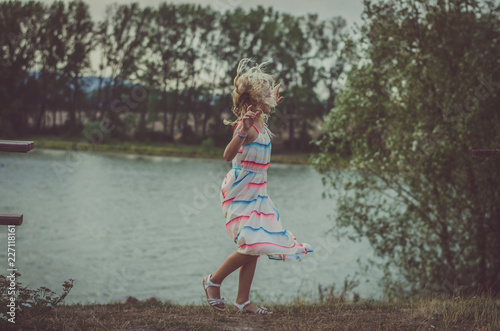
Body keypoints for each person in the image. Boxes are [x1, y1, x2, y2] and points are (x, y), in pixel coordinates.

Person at [202, 58, 313, 314]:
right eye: (265, 95)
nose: (271, 99)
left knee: (256, 245)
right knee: (252, 245)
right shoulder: (247, 126)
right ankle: (213, 280)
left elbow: (266, 109)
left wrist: (270, 99)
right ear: (253, 101)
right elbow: (228, 156)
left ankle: (242, 301)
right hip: (241, 192)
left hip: (258, 193)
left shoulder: (260, 119)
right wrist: (242, 131)